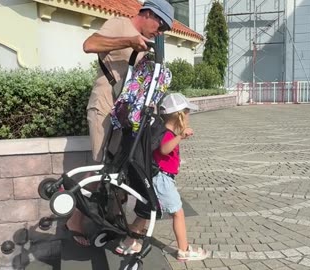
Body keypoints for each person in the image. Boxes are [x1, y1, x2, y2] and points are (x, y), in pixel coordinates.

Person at [65, 0, 175, 247]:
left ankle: (112, 216)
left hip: (126, 112)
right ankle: (75, 219)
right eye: (161, 25)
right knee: (101, 165)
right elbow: (89, 44)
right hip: (105, 105)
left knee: (119, 166)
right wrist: (129, 41)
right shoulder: (119, 24)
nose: (161, 32)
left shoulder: (146, 43)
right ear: (148, 14)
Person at [115, 93, 209, 261]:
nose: (189, 117)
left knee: (146, 212)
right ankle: (184, 250)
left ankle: (130, 242)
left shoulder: (164, 132)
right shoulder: (167, 134)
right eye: (187, 113)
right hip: (162, 180)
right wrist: (180, 136)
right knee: (177, 212)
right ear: (180, 116)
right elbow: (164, 149)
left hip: (161, 178)